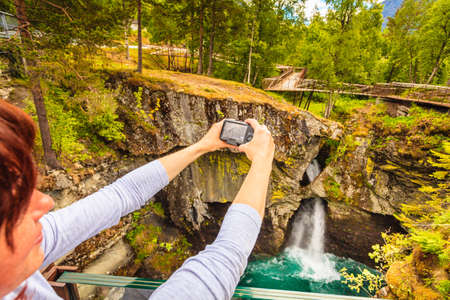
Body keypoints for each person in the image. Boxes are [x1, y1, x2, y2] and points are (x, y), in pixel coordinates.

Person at [0, 99, 275, 300]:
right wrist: (262, 162)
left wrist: (202, 145)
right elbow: (225, 258)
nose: (45, 203)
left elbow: (122, 194)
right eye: (15, 203)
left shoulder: (14, 257)